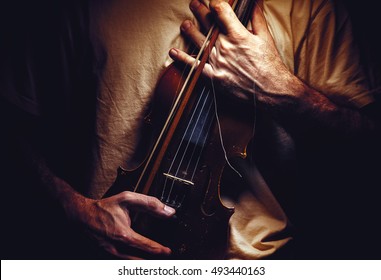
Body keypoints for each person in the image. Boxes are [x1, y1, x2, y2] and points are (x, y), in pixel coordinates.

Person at [1, 0, 380, 259]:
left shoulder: (308, 7)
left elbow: (365, 151)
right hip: (107, 258)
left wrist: (281, 89)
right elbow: (13, 125)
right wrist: (72, 206)